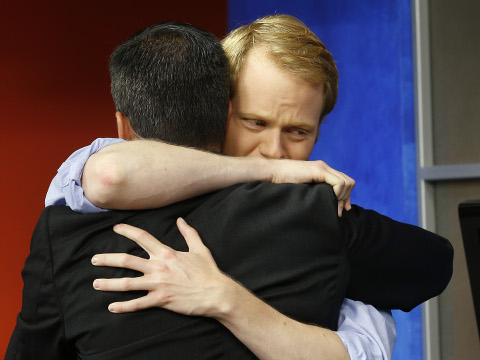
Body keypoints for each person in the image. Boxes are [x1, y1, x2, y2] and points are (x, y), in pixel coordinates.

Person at [41, 15, 452, 360]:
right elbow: (110, 175)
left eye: (298, 131)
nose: (273, 152)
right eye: (255, 123)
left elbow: (429, 267)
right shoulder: (104, 196)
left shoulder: (323, 219)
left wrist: (228, 300)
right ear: (222, 108)